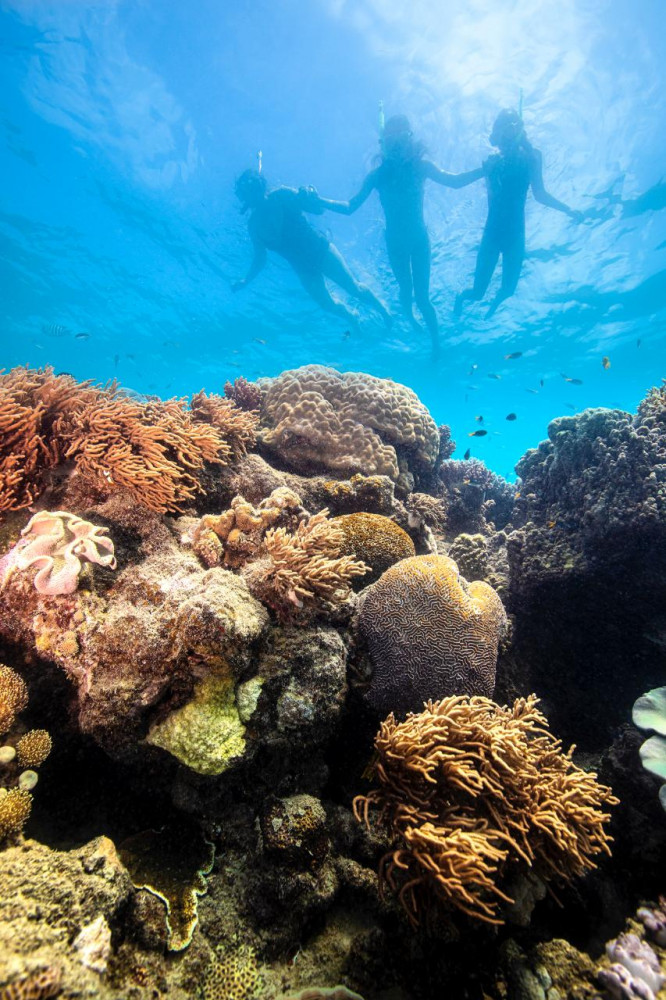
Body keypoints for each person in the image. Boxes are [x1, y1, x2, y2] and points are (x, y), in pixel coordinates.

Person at [312, 114, 484, 355]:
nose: (397, 148)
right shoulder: (378, 175)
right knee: (405, 289)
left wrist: (484, 170)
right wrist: (317, 200)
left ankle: (436, 345)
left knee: (423, 297)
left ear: (409, 140)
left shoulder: (421, 166)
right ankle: (412, 319)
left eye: (400, 141)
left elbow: (454, 181)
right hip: (396, 244)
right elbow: (351, 206)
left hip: (418, 240)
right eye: (391, 143)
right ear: (384, 144)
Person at [455, 108, 582, 319]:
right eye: (504, 131)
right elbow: (492, 197)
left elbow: (539, 194)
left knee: (508, 290)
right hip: (493, 234)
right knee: (477, 293)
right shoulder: (492, 161)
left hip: (516, 234)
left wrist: (568, 209)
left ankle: (492, 309)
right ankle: (460, 298)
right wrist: (490, 172)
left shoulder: (533, 157)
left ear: (520, 131)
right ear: (497, 136)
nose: (508, 135)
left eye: (513, 129)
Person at [232, 169, 390, 327]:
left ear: (260, 187)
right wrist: (246, 280)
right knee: (326, 304)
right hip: (302, 267)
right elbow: (260, 258)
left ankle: (384, 313)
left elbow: (318, 210)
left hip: (320, 250)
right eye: (245, 193)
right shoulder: (253, 226)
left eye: (251, 191)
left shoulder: (281, 195)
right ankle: (352, 318)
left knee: (354, 288)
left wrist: (310, 195)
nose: (250, 197)